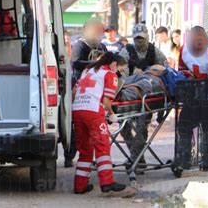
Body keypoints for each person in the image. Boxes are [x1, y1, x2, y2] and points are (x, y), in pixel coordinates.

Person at [72, 52, 127, 194]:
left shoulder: (87, 71)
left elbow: (73, 92)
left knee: (85, 150)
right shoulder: (110, 75)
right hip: (93, 113)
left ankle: (80, 186)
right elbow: (106, 101)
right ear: (114, 64)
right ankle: (107, 182)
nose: (120, 73)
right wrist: (112, 115)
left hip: (77, 110)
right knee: (102, 147)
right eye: (120, 70)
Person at [174, 26, 208, 174]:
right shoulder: (183, 50)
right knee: (184, 125)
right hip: (194, 95)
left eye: (200, 38)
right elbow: (182, 72)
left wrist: (197, 78)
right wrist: (191, 78)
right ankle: (183, 160)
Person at [118, 23, 168, 165]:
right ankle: (138, 157)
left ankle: (135, 158)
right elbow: (121, 75)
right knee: (123, 126)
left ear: (147, 37)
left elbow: (165, 70)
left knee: (142, 127)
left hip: (148, 97)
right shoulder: (126, 52)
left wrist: (151, 71)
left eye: (142, 38)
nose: (139, 41)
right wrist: (133, 75)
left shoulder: (154, 52)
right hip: (130, 94)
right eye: (137, 38)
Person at [65, 19, 107, 167]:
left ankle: (92, 156)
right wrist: (95, 63)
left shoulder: (102, 46)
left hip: (96, 89)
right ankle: (69, 155)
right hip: (79, 86)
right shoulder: (80, 45)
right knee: (75, 124)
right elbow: (75, 62)